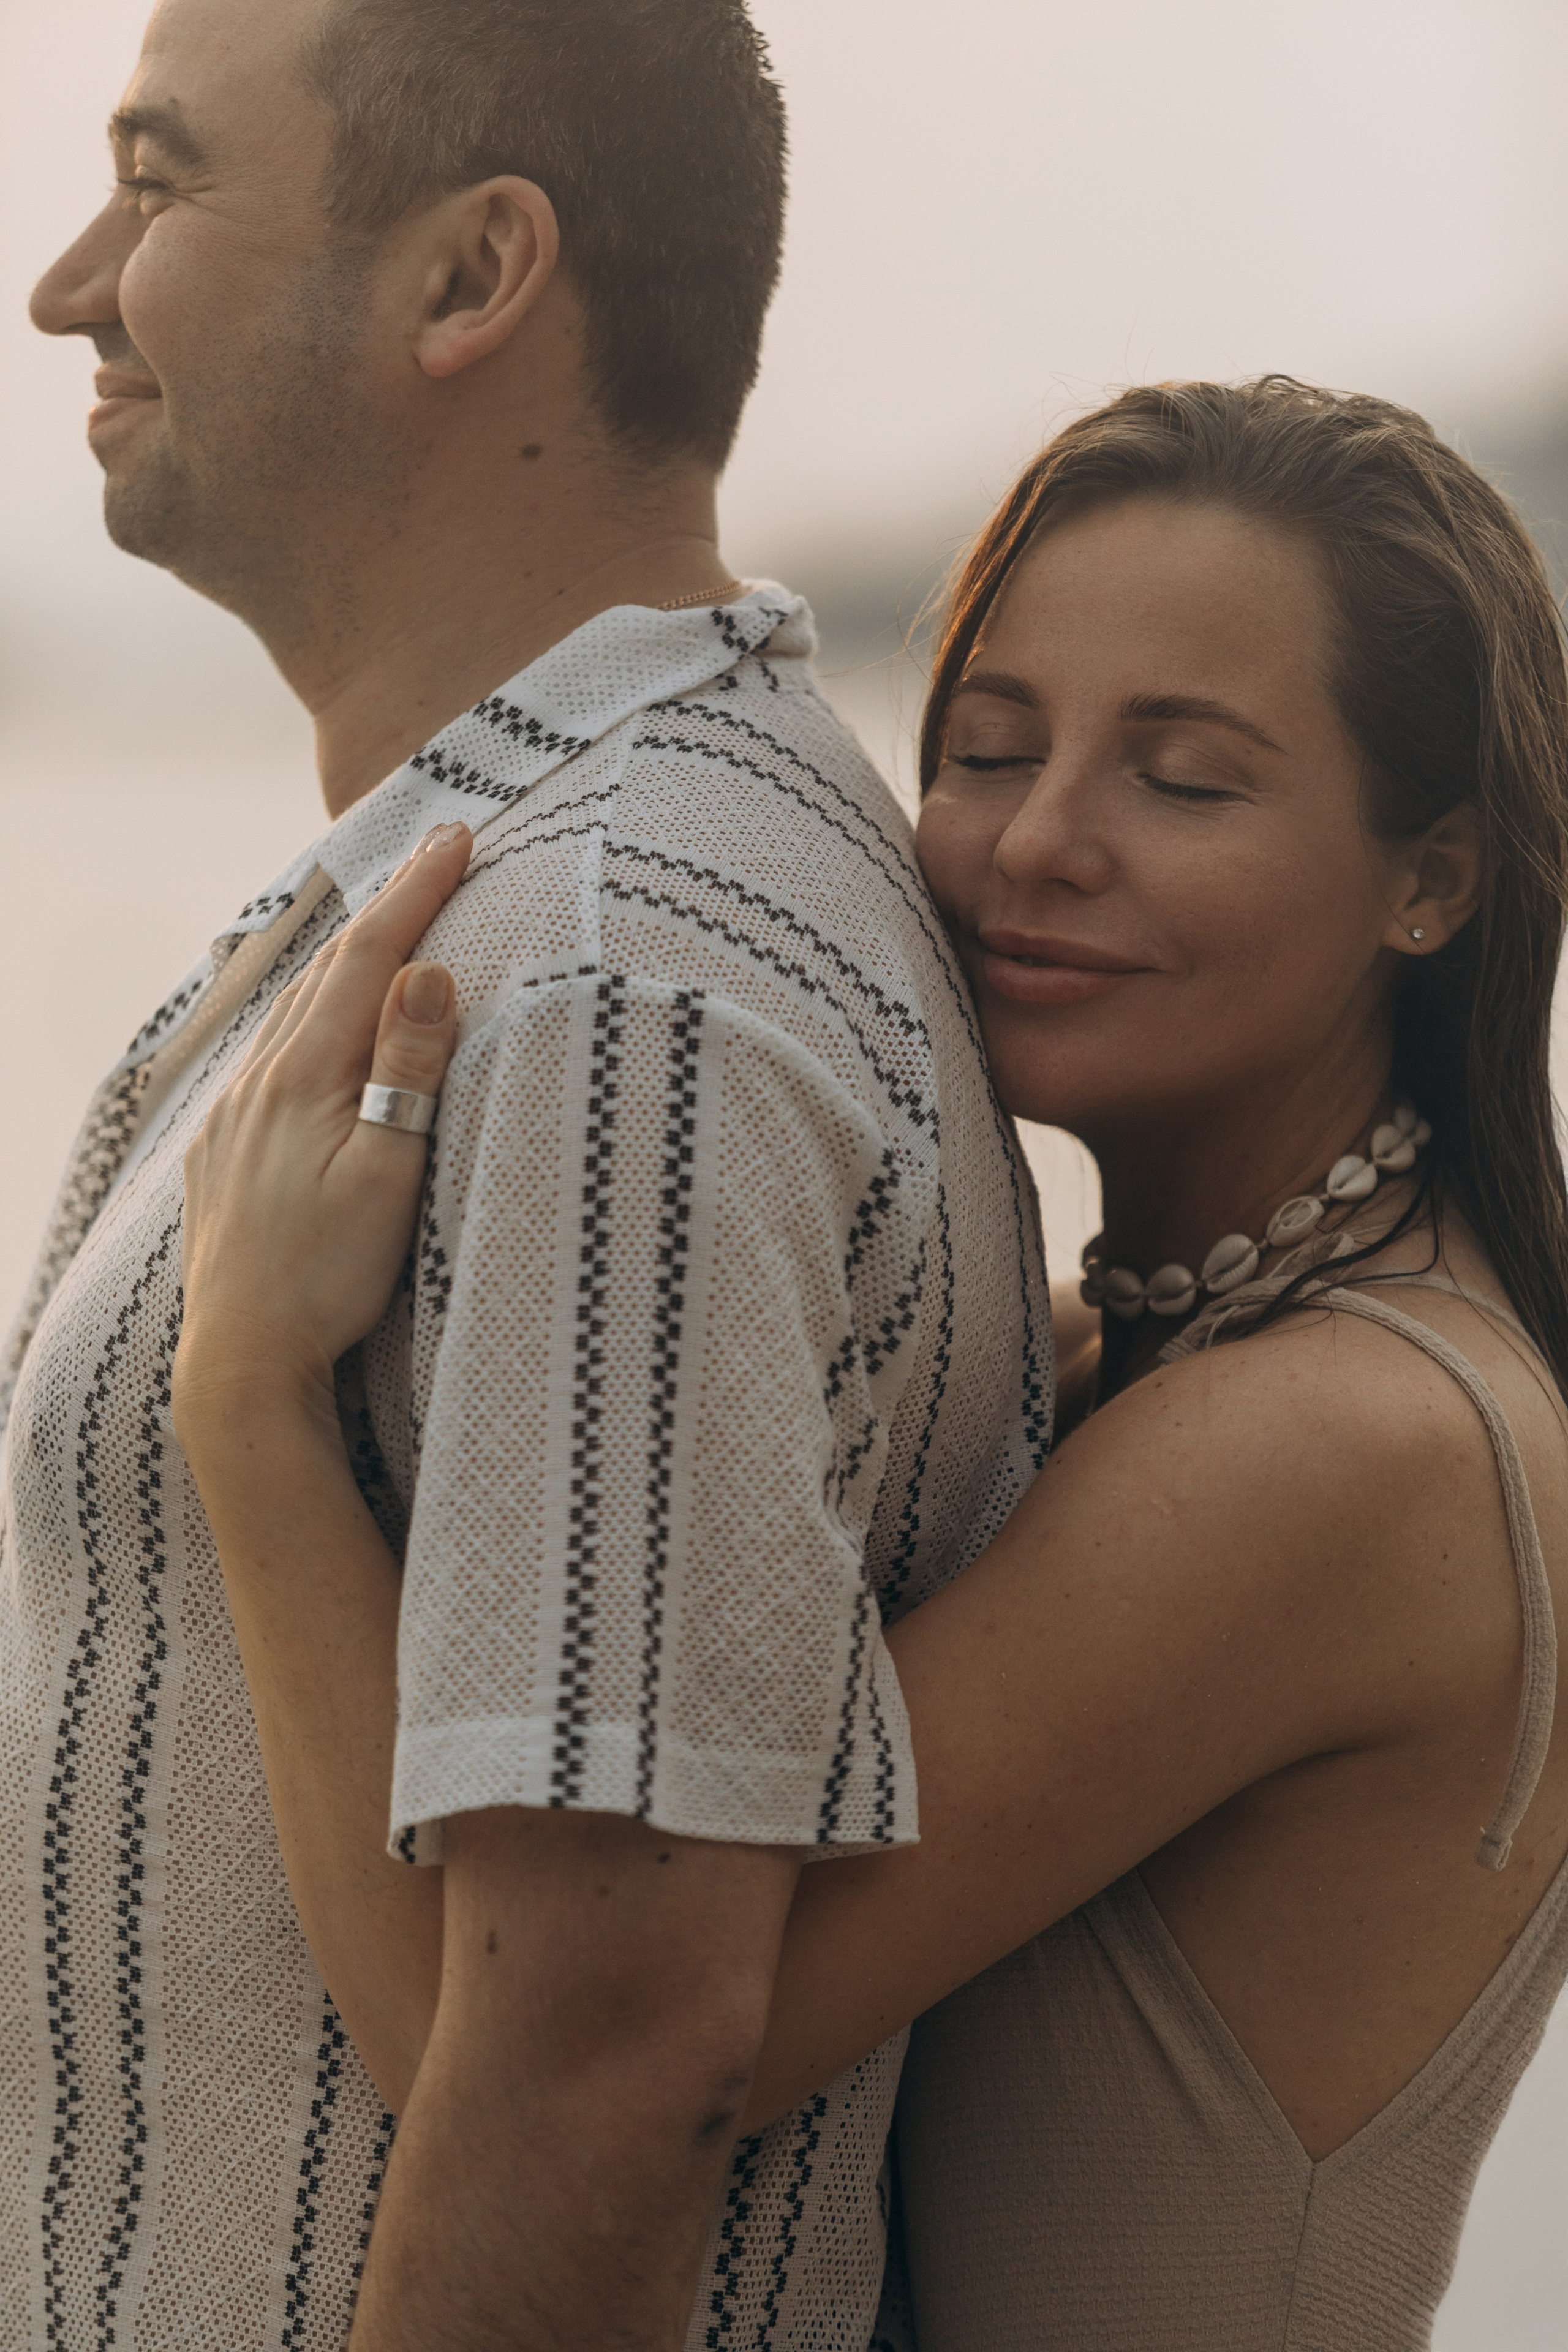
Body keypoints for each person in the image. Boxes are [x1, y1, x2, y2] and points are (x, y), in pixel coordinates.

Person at [181, 375, 1568, 2351]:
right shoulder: (1146, 1362)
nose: (1042, 845)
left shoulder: (1350, 1447)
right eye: (992, 750)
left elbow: (538, 2076)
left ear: (1432, 877)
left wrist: (242, 1403)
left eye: (1184, 779)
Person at [6, 1, 1046, 2345]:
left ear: (473, 276)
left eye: (164, 183)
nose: (72, 282)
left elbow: (601, 2086)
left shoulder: (611, 989)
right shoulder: (552, 897)